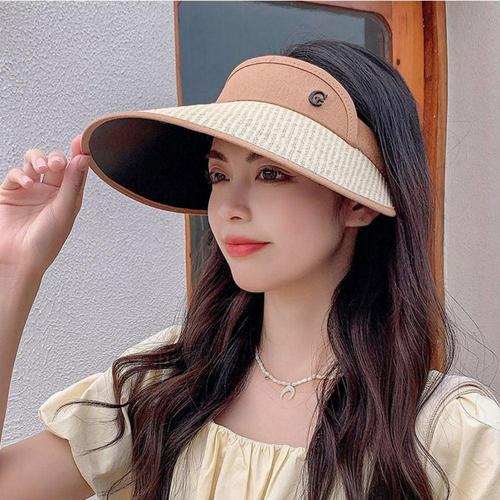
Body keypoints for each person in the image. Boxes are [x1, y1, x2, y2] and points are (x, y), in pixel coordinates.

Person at [0, 39, 499, 500]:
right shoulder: (166, 388)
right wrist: (14, 265)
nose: (229, 207)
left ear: (358, 202)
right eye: (219, 174)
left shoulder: (449, 435)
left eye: (271, 173)